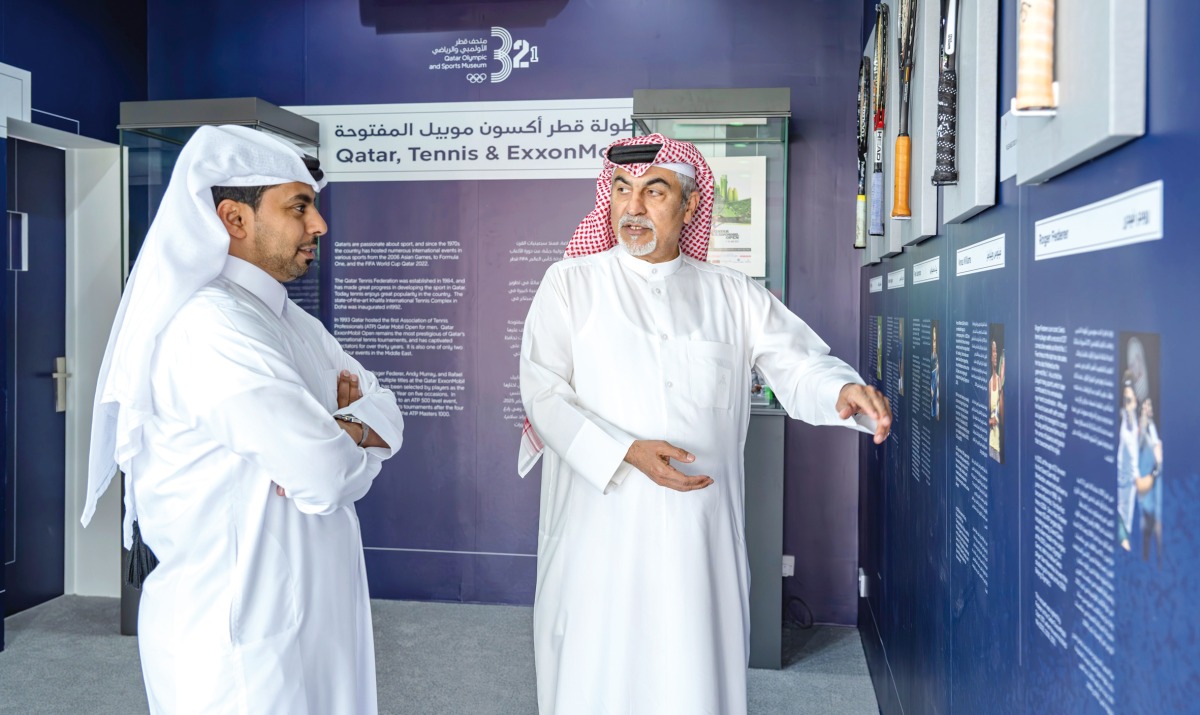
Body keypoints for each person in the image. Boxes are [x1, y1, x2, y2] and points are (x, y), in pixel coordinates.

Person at [517, 134, 892, 715]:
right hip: (600, 532)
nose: (633, 207)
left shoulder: (732, 293)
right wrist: (625, 452)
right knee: (597, 674)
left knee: (690, 678)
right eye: (621, 190)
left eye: (653, 190)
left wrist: (838, 390)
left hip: (699, 538)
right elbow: (543, 393)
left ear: (690, 205)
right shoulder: (570, 284)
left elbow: (798, 363)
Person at [80, 125, 405, 714]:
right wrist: (349, 436)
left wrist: (345, 430)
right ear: (234, 218)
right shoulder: (210, 326)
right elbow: (328, 476)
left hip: (307, 616)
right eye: (299, 207)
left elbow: (389, 414)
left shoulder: (291, 321)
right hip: (238, 639)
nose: (319, 226)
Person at [1136, 396, 1163, 563]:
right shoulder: (1140, 432)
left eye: (1150, 405)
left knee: (1155, 527)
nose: (1148, 409)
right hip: (1145, 490)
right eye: (1145, 406)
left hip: (1154, 488)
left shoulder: (1153, 428)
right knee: (1147, 530)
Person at [1116, 376, 1139, 550]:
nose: (1127, 403)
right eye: (1125, 400)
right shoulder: (1124, 426)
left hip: (1130, 492)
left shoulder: (1134, 422)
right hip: (1121, 490)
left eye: (1129, 400)